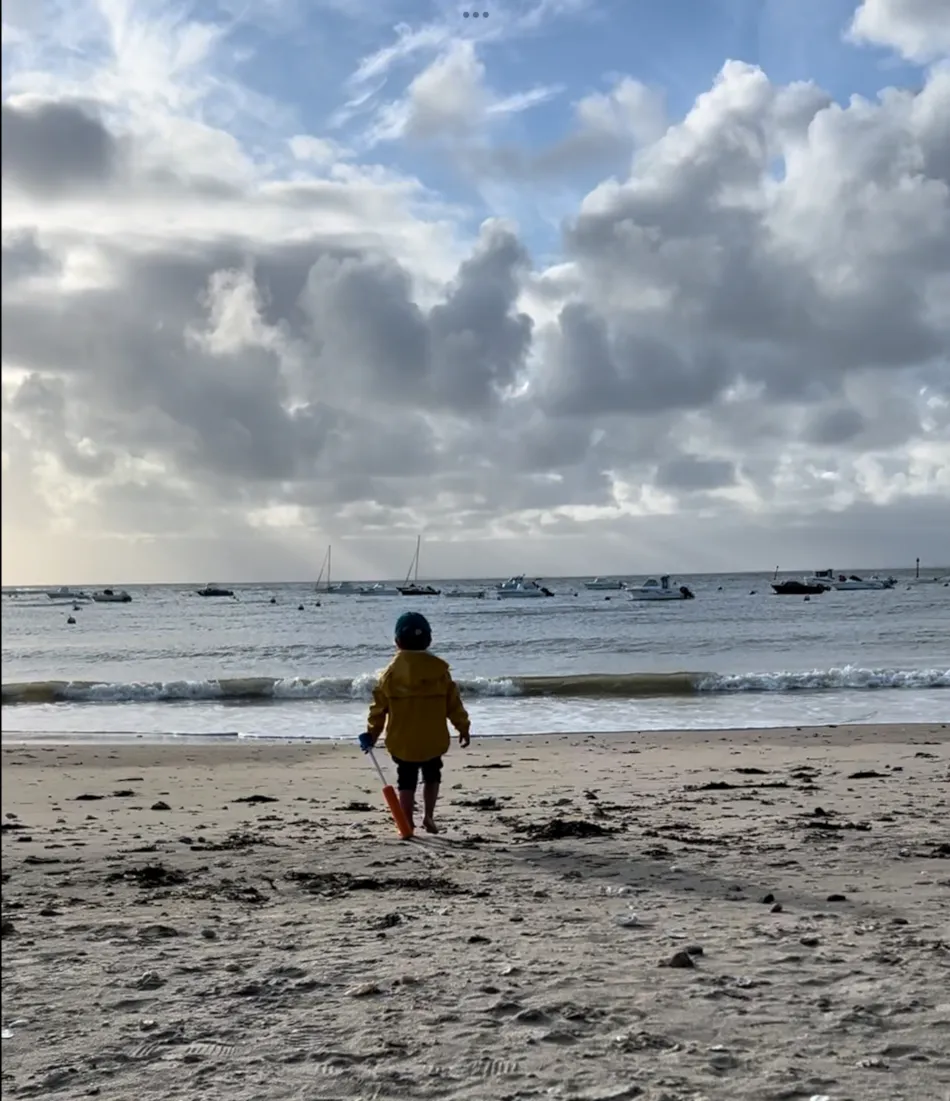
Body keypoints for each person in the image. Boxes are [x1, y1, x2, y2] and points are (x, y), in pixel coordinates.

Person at [361, 611, 470, 834]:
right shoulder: (440, 671)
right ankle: (428, 816)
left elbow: (378, 709)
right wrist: (463, 726)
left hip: (403, 740)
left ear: (397, 641)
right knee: (432, 776)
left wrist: (372, 734)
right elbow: (453, 704)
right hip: (433, 738)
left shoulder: (390, 675)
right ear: (428, 640)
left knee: (406, 780)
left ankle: (407, 821)